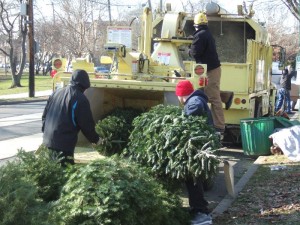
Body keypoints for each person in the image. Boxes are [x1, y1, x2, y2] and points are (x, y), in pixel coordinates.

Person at [42, 69, 101, 166]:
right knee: (64, 172)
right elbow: (86, 125)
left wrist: (46, 132)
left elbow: (45, 116)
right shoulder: (80, 99)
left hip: (48, 141)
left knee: (51, 172)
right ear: (84, 85)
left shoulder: (55, 93)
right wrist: (96, 140)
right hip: (63, 145)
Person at [175, 80, 213, 225]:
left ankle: (201, 214)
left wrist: (182, 120)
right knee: (194, 178)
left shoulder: (194, 101)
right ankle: (198, 208)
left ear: (181, 94)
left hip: (199, 146)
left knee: (193, 178)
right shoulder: (196, 98)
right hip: (201, 145)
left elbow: (195, 108)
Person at [189, 12, 232, 136]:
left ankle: (219, 126)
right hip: (212, 69)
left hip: (209, 70)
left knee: (213, 98)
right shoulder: (207, 33)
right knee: (205, 92)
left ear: (195, 25)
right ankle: (226, 96)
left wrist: (189, 51)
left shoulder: (200, 35)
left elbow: (195, 53)